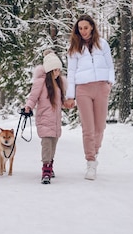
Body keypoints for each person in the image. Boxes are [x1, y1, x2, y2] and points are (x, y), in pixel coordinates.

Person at [64, 14, 115, 180]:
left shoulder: (103, 44)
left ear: (92, 27)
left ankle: (95, 150)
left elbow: (110, 66)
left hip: (101, 88)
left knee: (100, 127)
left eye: (86, 27)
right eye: (80, 28)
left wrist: (109, 83)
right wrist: (70, 95)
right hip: (83, 90)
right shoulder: (74, 48)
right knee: (88, 128)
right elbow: (71, 73)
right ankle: (91, 162)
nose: (83, 31)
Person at [24, 50, 68, 184]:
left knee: (53, 145)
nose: (57, 72)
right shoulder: (40, 83)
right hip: (44, 119)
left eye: (58, 70)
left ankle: (50, 166)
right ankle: (45, 170)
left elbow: (62, 102)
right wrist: (28, 107)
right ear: (49, 70)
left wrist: (69, 104)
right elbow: (33, 97)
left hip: (55, 122)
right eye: (54, 70)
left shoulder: (60, 84)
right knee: (46, 145)